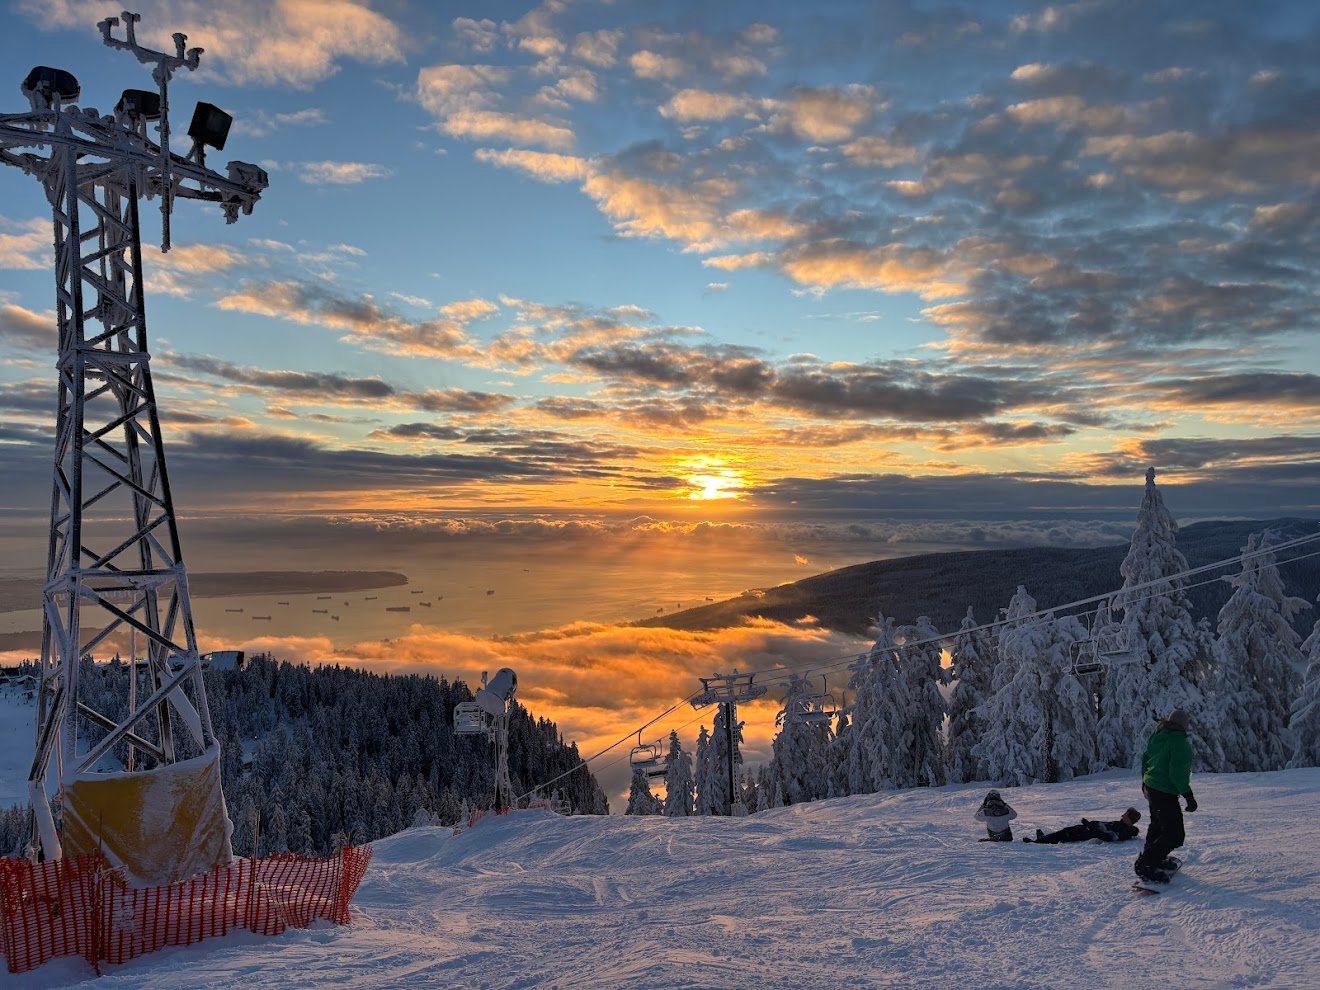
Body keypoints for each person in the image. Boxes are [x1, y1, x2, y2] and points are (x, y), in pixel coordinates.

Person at [1134, 708, 1197, 883]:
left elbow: (1145, 760)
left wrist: (1146, 782)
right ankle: (1146, 865)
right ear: (1184, 726)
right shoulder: (1179, 742)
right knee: (1175, 834)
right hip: (1164, 791)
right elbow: (1177, 772)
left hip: (1151, 787)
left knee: (1158, 825)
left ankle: (1154, 859)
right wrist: (1188, 794)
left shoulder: (1158, 736)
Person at [1023, 807, 1140, 844]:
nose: (1122, 815)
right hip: (1087, 829)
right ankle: (1042, 839)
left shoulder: (1124, 831)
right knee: (1063, 832)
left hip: (1087, 834)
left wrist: (1091, 827)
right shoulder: (1121, 825)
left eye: (1125, 815)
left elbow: (1108, 837)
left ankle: (1036, 842)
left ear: (1129, 819)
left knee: (1063, 835)